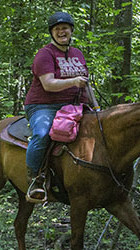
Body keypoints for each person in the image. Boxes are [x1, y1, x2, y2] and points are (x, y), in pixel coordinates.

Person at [23, 11, 99, 203]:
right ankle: (36, 178)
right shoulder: (45, 54)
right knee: (42, 133)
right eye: (57, 29)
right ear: (52, 33)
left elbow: (85, 83)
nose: (61, 32)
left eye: (64, 28)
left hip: (74, 106)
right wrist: (73, 81)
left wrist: (96, 107)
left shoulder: (78, 54)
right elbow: (48, 84)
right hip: (44, 106)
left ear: (71, 30)